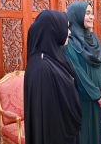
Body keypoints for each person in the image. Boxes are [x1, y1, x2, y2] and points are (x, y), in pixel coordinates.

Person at [24, 10, 82, 144]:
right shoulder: (41, 66)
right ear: (54, 30)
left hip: (66, 128)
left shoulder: (55, 57)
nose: (69, 32)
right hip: (56, 135)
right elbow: (45, 118)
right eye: (66, 27)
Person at [62, 1, 101, 144]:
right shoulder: (69, 42)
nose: (92, 17)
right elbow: (77, 72)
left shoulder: (94, 38)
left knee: (97, 133)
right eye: (87, 13)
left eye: (92, 13)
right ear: (76, 15)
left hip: (99, 98)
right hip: (82, 98)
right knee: (84, 134)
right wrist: (96, 95)